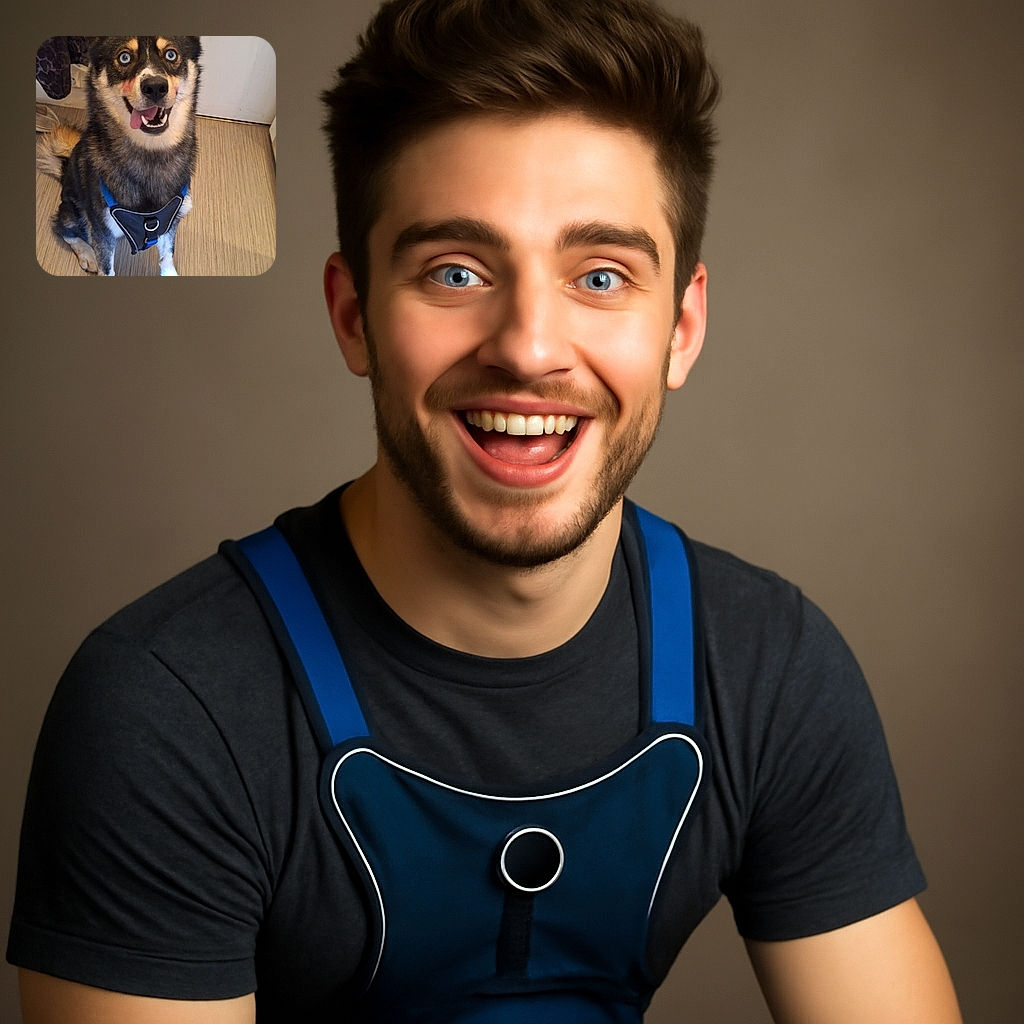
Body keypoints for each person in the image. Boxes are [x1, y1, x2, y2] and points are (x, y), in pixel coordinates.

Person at [9, 0, 962, 1021]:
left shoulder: (769, 668)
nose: (528, 347)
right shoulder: (167, 710)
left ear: (680, 328)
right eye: (455, 272)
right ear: (353, 315)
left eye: (601, 276)